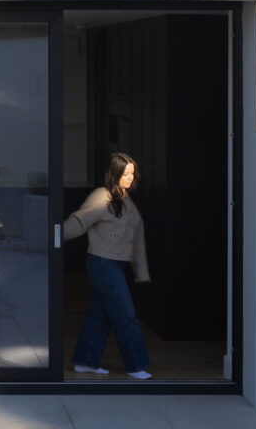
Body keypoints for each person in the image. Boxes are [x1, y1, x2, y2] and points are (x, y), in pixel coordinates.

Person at [63, 152, 152, 379]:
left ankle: (85, 361)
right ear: (115, 173)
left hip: (118, 266)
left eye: (133, 173)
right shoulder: (102, 197)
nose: (130, 178)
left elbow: (138, 240)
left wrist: (142, 273)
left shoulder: (127, 200)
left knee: (99, 315)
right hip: (102, 263)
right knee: (125, 314)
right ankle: (136, 365)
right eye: (126, 173)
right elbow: (79, 221)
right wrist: (53, 238)